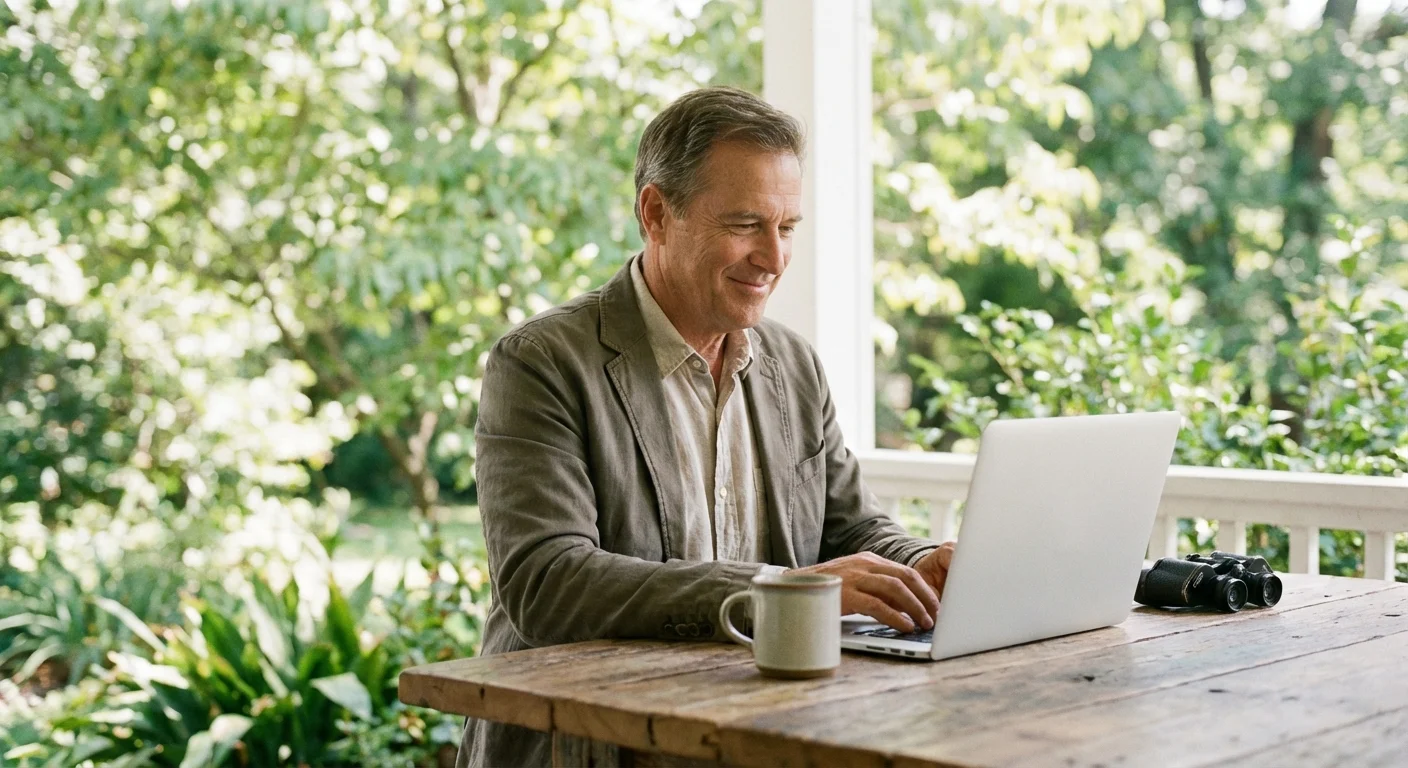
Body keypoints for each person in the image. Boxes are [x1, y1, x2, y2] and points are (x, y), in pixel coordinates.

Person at [457, 86, 956, 768]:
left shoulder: (794, 365)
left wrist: (915, 563)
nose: (773, 259)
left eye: (787, 229)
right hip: (591, 745)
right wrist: (774, 595)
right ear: (656, 213)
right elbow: (547, 583)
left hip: (755, 734)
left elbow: (847, 529)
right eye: (745, 224)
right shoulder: (542, 363)